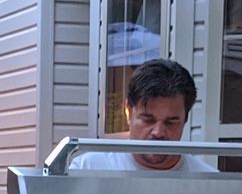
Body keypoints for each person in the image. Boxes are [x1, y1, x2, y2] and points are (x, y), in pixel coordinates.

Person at [70, 59, 217, 173]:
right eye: (147, 120)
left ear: (185, 119)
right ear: (128, 111)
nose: (158, 132)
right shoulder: (88, 169)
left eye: (171, 122)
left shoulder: (209, 183)